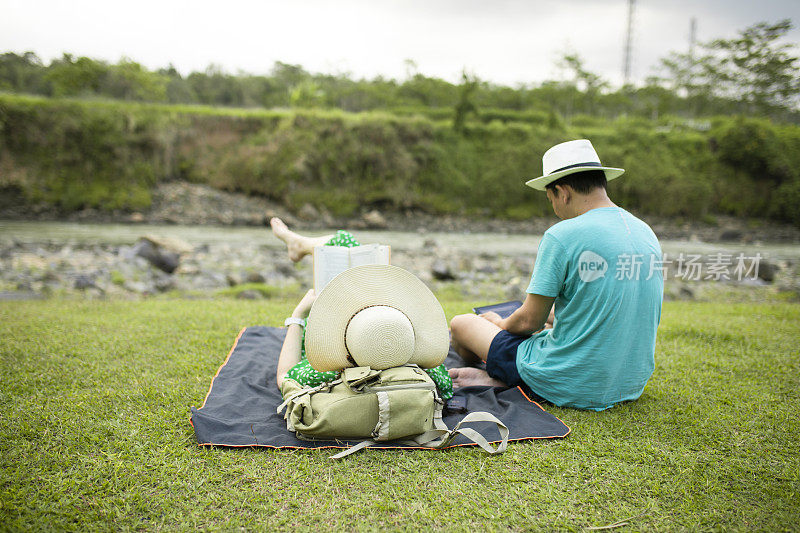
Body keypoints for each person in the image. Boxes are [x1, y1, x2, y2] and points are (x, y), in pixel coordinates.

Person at [449, 139, 663, 411]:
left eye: (550, 199)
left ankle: (504, 376)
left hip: (571, 381)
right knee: (548, 325)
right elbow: (599, 305)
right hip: (628, 382)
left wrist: (498, 324)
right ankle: (506, 373)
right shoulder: (645, 231)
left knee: (463, 324)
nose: (555, 208)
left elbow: (527, 321)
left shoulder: (563, 235)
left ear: (563, 192)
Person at [269, 218, 454, 399]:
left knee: (344, 241)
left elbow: (284, 378)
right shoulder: (429, 375)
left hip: (345, 332)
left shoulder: (325, 372)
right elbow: (446, 387)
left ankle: (299, 244)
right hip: (390, 346)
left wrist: (298, 315)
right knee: (347, 243)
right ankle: (299, 244)